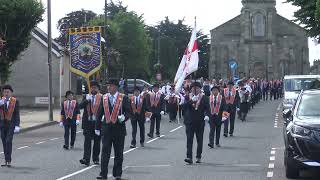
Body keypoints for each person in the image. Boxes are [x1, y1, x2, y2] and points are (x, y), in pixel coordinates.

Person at [95, 79, 131, 180]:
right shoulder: (104, 98)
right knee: (105, 152)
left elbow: (129, 112)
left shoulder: (123, 98)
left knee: (118, 153)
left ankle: (117, 174)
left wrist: (124, 117)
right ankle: (103, 174)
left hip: (119, 130)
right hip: (106, 129)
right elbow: (99, 113)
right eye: (108, 86)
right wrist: (97, 127)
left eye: (110, 86)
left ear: (115, 87)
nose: (108, 88)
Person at [183, 82, 209, 164]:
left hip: (200, 121)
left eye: (197, 88)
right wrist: (191, 101)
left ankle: (198, 156)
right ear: (191, 89)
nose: (195, 90)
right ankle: (189, 157)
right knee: (189, 140)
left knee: (199, 140)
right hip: (189, 122)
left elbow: (208, 108)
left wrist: (207, 115)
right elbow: (184, 107)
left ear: (200, 89)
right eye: (193, 88)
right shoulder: (187, 97)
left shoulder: (204, 98)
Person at [79, 81, 102, 166]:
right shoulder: (86, 96)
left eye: (95, 87)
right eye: (92, 87)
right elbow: (80, 106)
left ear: (98, 89)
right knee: (87, 142)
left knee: (97, 142)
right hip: (88, 123)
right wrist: (86, 101)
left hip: (97, 123)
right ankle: (86, 159)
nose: (93, 89)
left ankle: (95, 158)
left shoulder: (102, 97)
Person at [0, 85, 20, 167]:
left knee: (8, 141)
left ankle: (9, 160)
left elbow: (16, 114)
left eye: (8, 92)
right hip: (2, 125)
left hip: (11, 125)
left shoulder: (15, 101)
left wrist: (17, 125)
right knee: (4, 143)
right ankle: (6, 160)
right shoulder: (1, 101)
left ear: (11, 92)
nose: (6, 93)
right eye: (4, 92)